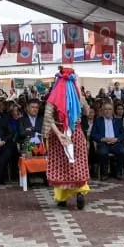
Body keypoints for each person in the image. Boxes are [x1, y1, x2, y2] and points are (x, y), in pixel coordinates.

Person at [43, 68, 91, 209]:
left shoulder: (53, 97)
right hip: (76, 133)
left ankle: (62, 197)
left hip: (59, 136)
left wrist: (58, 134)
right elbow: (87, 111)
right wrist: (81, 97)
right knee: (78, 164)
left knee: (61, 167)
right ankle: (81, 191)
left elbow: (48, 117)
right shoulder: (77, 95)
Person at [89, 101, 124, 180]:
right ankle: (104, 173)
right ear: (102, 111)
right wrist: (102, 138)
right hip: (103, 143)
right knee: (103, 153)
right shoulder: (98, 121)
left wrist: (117, 139)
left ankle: (119, 172)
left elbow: (123, 134)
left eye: (109, 109)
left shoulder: (118, 121)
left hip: (115, 142)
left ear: (113, 111)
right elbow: (93, 134)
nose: (107, 111)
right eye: (105, 109)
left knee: (122, 152)